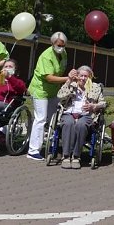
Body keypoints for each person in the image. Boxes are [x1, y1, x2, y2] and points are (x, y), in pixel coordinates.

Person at [26, 32, 77, 161]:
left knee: (54, 118)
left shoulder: (64, 53)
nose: (61, 47)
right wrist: (68, 79)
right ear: (53, 44)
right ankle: (33, 150)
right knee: (41, 118)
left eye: (63, 45)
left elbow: (61, 70)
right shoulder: (46, 56)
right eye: (59, 45)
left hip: (54, 91)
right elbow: (48, 77)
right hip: (41, 90)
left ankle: (51, 143)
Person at [56, 65, 106, 169]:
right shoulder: (71, 84)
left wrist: (94, 106)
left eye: (86, 76)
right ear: (77, 76)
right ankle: (66, 156)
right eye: (81, 76)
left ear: (90, 77)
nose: (83, 78)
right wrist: (69, 80)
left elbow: (103, 103)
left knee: (81, 125)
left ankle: (76, 156)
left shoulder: (95, 88)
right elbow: (60, 95)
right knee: (68, 123)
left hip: (86, 114)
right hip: (69, 112)